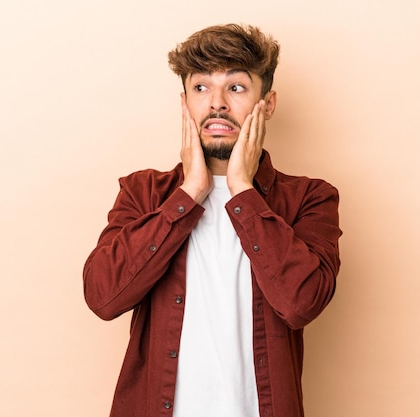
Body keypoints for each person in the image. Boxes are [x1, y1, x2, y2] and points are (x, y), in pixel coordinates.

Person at [83, 23, 342, 417]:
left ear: (267, 103)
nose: (217, 103)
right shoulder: (143, 192)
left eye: (236, 87)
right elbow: (103, 296)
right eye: (201, 87)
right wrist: (188, 194)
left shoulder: (310, 198)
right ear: (184, 102)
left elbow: (300, 304)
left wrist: (242, 189)